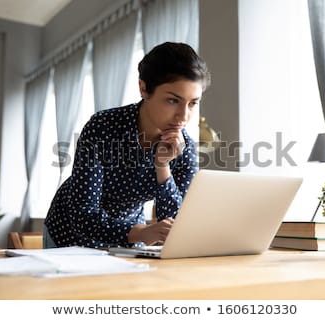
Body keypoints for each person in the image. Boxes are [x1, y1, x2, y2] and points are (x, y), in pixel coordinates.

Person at [43, 42, 211, 248]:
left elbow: (175, 224)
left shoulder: (184, 150)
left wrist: (162, 167)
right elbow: (83, 215)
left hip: (133, 234)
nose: (184, 116)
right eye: (172, 100)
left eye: (193, 103)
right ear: (144, 89)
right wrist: (138, 232)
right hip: (69, 232)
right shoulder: (102, 127)